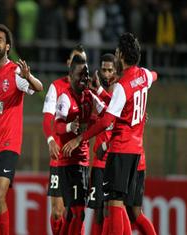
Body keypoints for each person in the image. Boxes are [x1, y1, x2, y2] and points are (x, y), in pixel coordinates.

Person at [63, 32, 157, 235]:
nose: (115, 56)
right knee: (124, 207)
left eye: (116, 53)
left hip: (121, 150)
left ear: (122, 55)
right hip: (137, 152)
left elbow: (107, 120)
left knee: (113, 205)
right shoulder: (144, 76)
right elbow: (154, 75)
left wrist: (81, 137)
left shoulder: (123, 87)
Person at [0, 24, 43, 235]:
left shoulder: (15, 71)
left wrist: (28, 77)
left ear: (7, 46)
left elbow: (38, 87)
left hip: (9, 143)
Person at [54, 54, 105, 235]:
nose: (83, 78)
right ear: (70, 75)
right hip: (68, 164)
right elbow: (57, 126)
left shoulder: (89, 96)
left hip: (83, 163)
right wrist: (69, 126)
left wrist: (98, 90)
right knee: (78, 213)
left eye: (86, 74)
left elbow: (108, 113)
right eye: (79, 74)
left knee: (72, 214)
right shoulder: (65, 98)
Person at [42, 44, 87, 235]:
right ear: (69, 63)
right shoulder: (56, 87)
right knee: (58, 211)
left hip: (78, 159)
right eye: (76, 59)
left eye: (83, 61)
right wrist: (51, 139)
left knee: (76, 210)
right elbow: (47, 118)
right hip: (59, 158)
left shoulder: (88, 89)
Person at [87, 53, 117, 235]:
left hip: (115, 159)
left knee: (112, 210)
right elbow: (91, 122)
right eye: (103, 70)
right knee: (98, 210)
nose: (106, 74)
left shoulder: (121, 93)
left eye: (110, 70)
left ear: (116, 71)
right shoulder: (94, 95)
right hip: (99, 161)